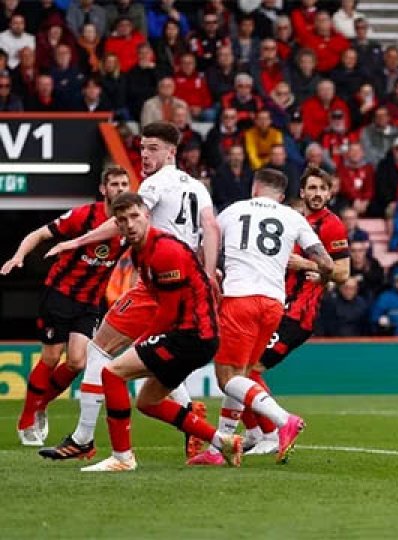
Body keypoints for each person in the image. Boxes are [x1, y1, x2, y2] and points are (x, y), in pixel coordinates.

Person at [40, 122, 219, 462]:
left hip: (154, 285)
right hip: (185, 289)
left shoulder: (154, 184)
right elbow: (210, 227)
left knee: (99, 352)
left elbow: (122, 219)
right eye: (142, 148)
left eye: (153, 148)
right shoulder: (197, 187)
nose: (145, 155)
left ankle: (83, 438)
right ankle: (192, 418)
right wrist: (207, 274)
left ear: (171, 151)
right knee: (149, 362)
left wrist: (77, 240)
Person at [187, 169, 334, 467]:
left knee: (227, 378)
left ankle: (284, 421)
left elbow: (206, 248)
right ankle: (222, 447)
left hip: (239, 299)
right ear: (281, 196)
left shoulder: (233, 210)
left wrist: (211, 273)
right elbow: (327, 263)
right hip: (273, 306)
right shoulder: (293, 217)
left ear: (255, 188)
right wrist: (319, 276)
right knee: (241, 374)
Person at [78, 192, 230, 472]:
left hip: (191, 336)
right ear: (117, 225)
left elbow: (168, 313)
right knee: (148, 402)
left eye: (135, 216)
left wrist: (142, 341)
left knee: (111, 374)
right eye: (122, 220)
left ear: (147, 215)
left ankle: (122, 458)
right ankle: (223, 441)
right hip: (193, 336)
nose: (130, 224)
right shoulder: (140, 252)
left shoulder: (164, 251)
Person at [1, 168, 130, 446]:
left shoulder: (129, 224)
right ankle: (26, 421)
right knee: (50, 358)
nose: (120, 188)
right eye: (115, 184)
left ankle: (40, 405)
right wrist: (19, 256)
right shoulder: (84, 215)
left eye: (124, 184)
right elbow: (39, 234)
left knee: (77, 362)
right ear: (103, 189)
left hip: (90, 302)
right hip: (59, 294)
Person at [245, 168, 351, 454]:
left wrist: (305, 265)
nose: (317, 194)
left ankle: (272, 432)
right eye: (311, 189)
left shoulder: (332, 225)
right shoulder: (290, 220)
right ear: (302, 193)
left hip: (298, 315)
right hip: (274, 305)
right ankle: (255, 433)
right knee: (235, 368)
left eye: (322, 189)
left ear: (330, 193)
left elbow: (343, 272)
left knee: (248, 369)